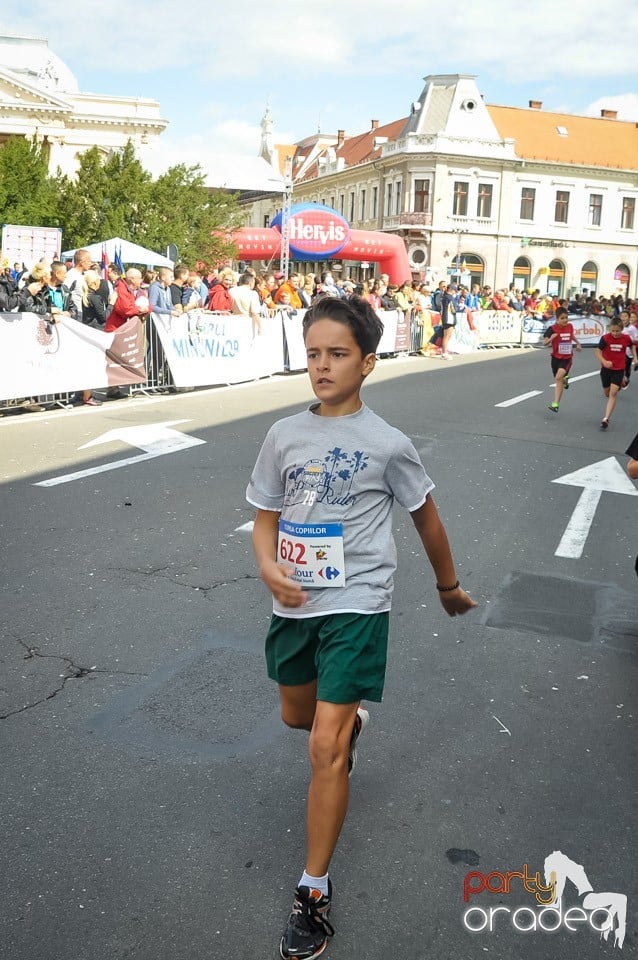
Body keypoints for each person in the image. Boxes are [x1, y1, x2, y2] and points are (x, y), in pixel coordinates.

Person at [245, 295, 476, 960]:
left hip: (357, 603)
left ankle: (311, 893)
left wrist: (448, 586)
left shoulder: (387, 444)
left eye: (337, 354)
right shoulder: (284, 434)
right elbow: (264, 512)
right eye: (313, 353)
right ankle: (349, 727)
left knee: (322, 747)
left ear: (369, 362)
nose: (322, 365)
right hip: (294, 606)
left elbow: (426, 519)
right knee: (298, 719)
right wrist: (266, 565)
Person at [594, 319, 637, 429]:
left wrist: (635, 358)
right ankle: (621, 383)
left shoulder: (626, 338)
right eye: (612, 330)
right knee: (607, 393)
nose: (615, 333)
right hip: (606, 369)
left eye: (617, 331)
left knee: (613, 394)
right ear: (609, 329)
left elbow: (632, 346)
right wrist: (604, 361)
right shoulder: (605, 338)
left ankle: (606, 418)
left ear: (621, 329)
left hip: (618, 369)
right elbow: (597, 351)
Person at [544, 305, 582, 413]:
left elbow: (571, 335)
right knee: (559, 377)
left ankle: (555, 404)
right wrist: (551, 338)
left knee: (558, 378)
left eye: (566, 317)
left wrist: (578, 343)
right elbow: (545, 342)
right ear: (557, 319)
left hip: (567, 358)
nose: (565, 320)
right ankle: (565, 378)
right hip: (555, 358)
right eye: (562, 318)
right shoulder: (552, 329)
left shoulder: (570, 326)